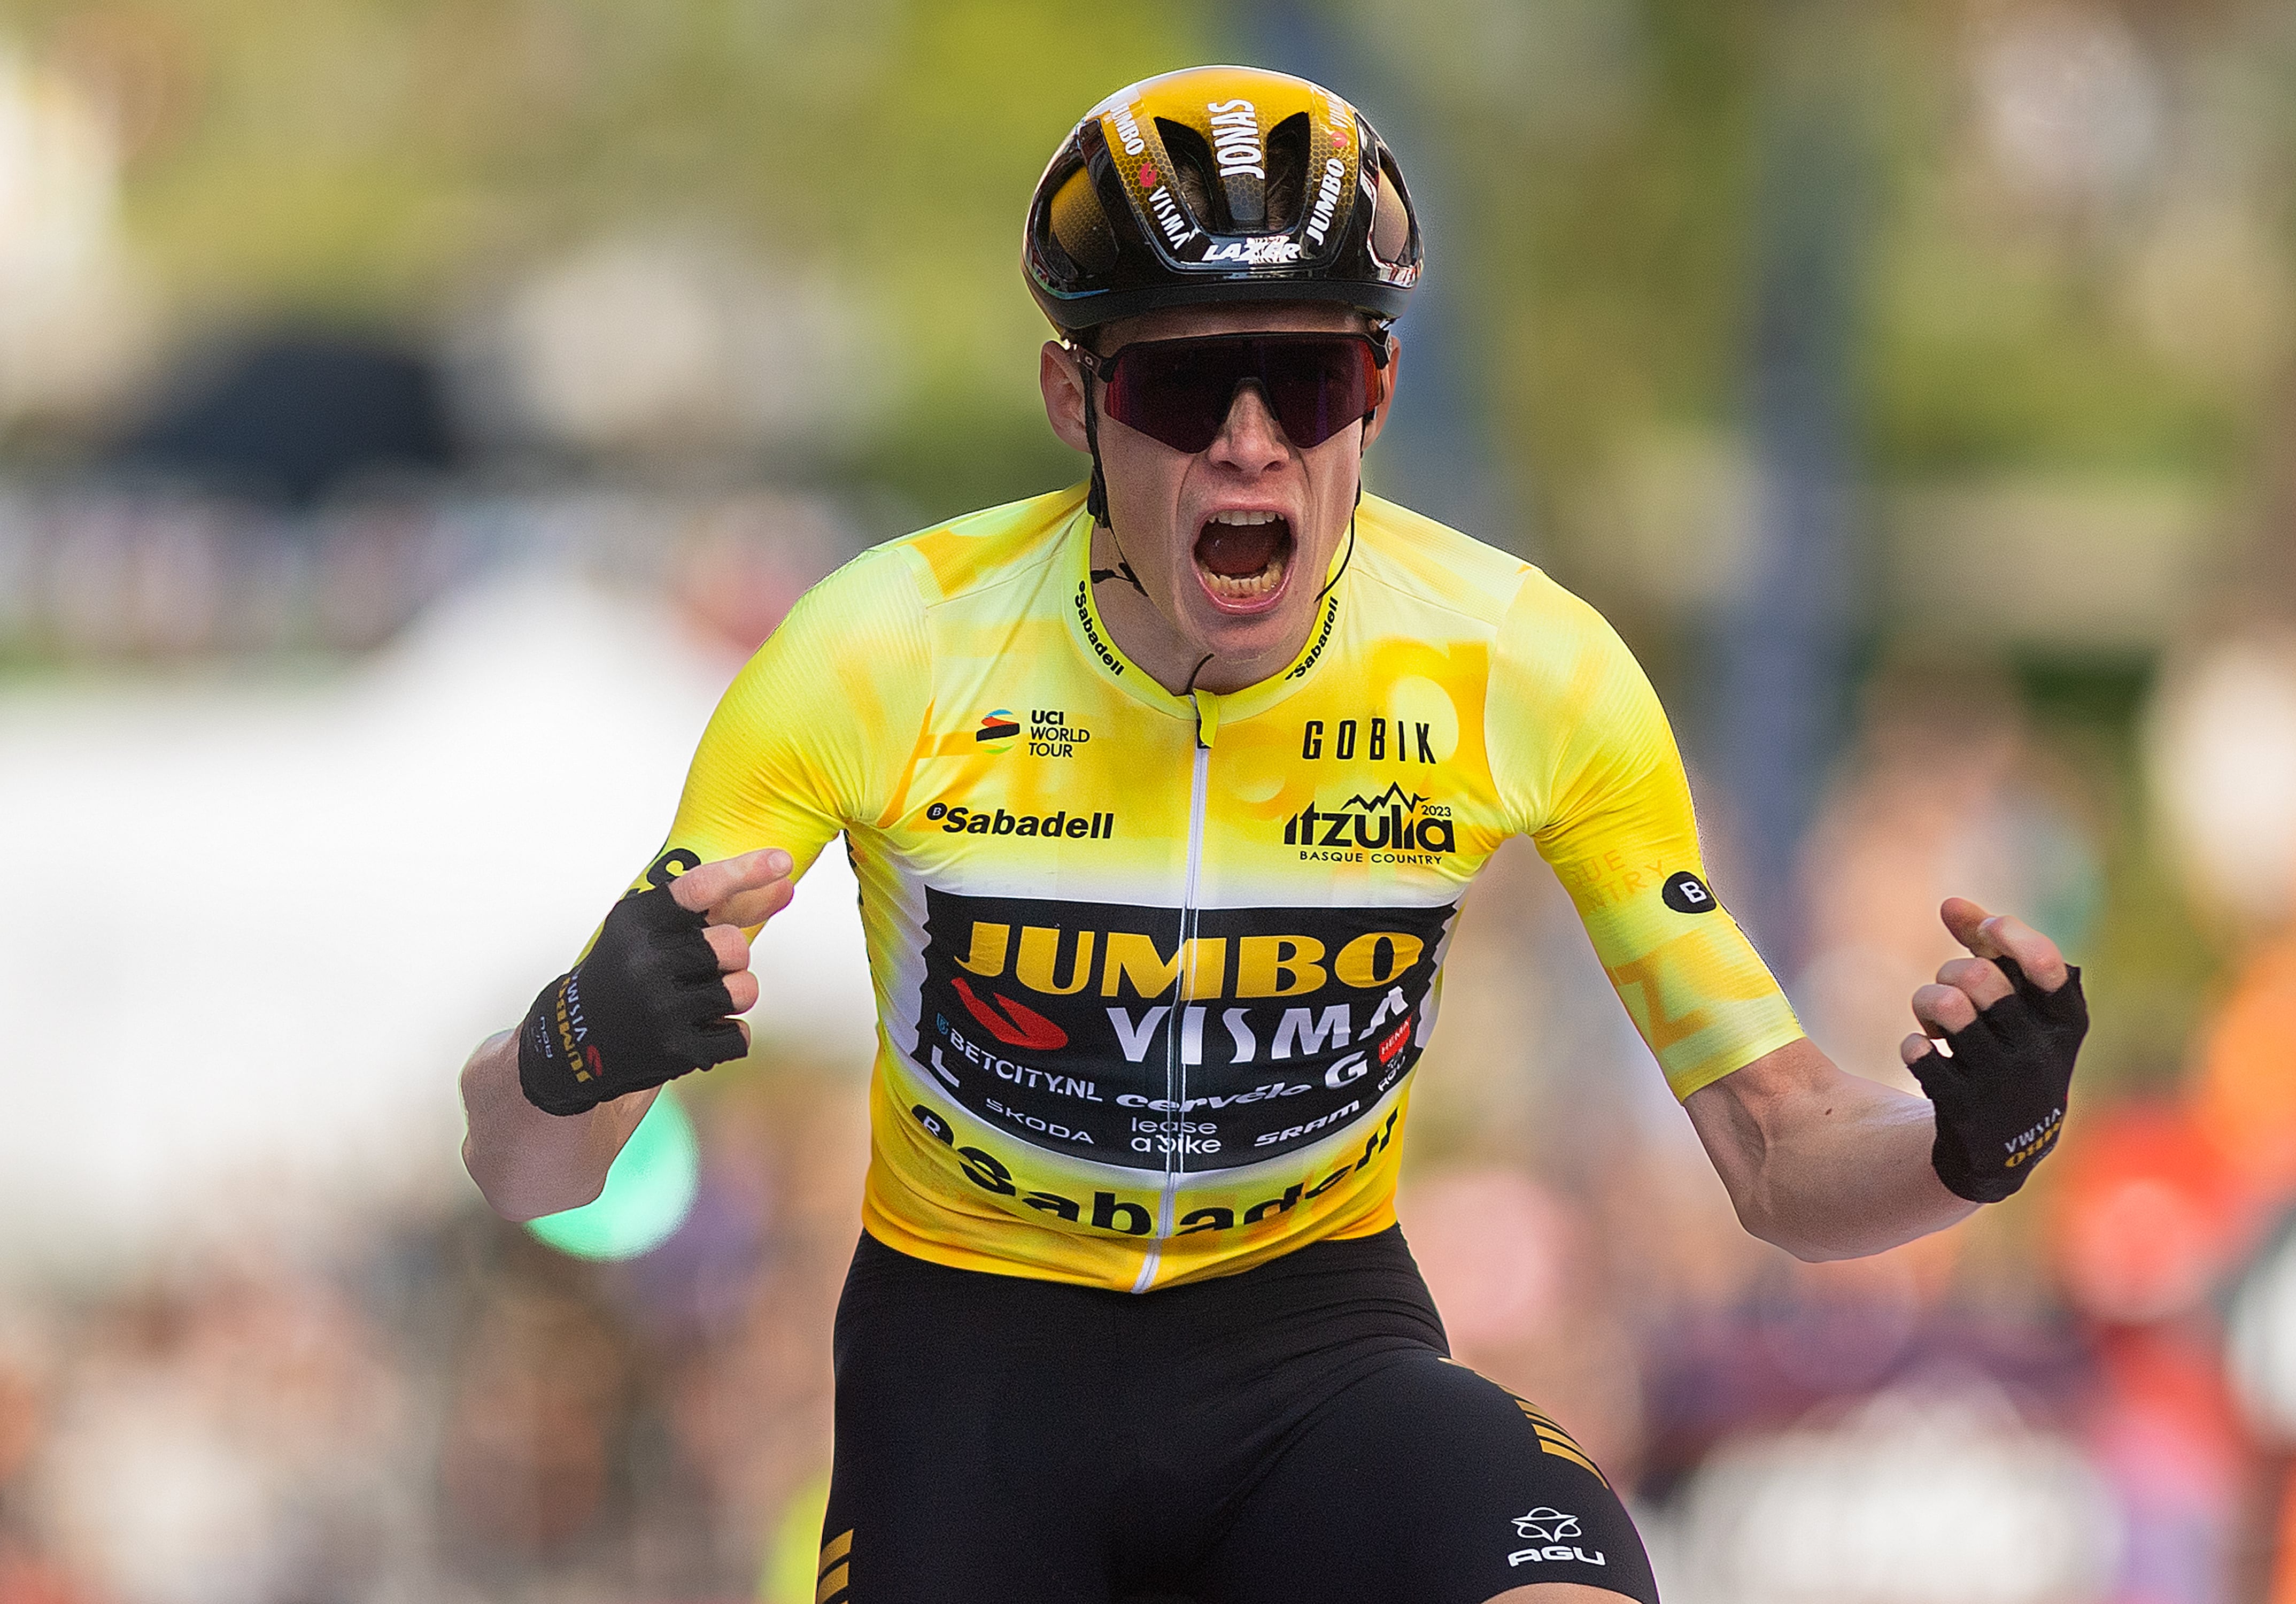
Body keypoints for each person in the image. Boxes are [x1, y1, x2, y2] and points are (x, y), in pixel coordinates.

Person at [459, 64, 2088, 1604]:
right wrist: (574, 1045)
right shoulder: (882, 649)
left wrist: (1974, 1148)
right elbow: (535, 1177)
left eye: (1307, 379)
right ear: (1071, 400)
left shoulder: (1520, 666)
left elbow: (1781, 1156)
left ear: (1374, 395)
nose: (1250, 440)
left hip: (1314, 1351)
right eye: (1179, 381)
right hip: (976, 1367)